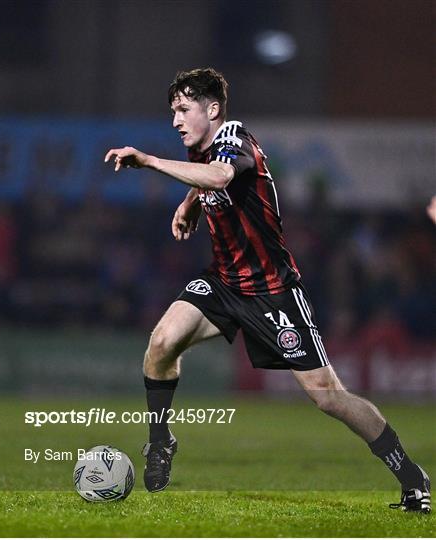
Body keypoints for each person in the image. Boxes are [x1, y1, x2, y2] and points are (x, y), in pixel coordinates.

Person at [104, 68, 431, 513]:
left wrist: (150, 161)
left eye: (183, 110)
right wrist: (189, 204)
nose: (175, 120)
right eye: (172, 112)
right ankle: (160, 443)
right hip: (223, 283)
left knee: (328, 397)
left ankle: (413, 479)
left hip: (272, 292)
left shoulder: (235, 139)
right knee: (161, 342)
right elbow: (209, 180)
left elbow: (222, 176)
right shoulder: (200, 150)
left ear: (213, 109)